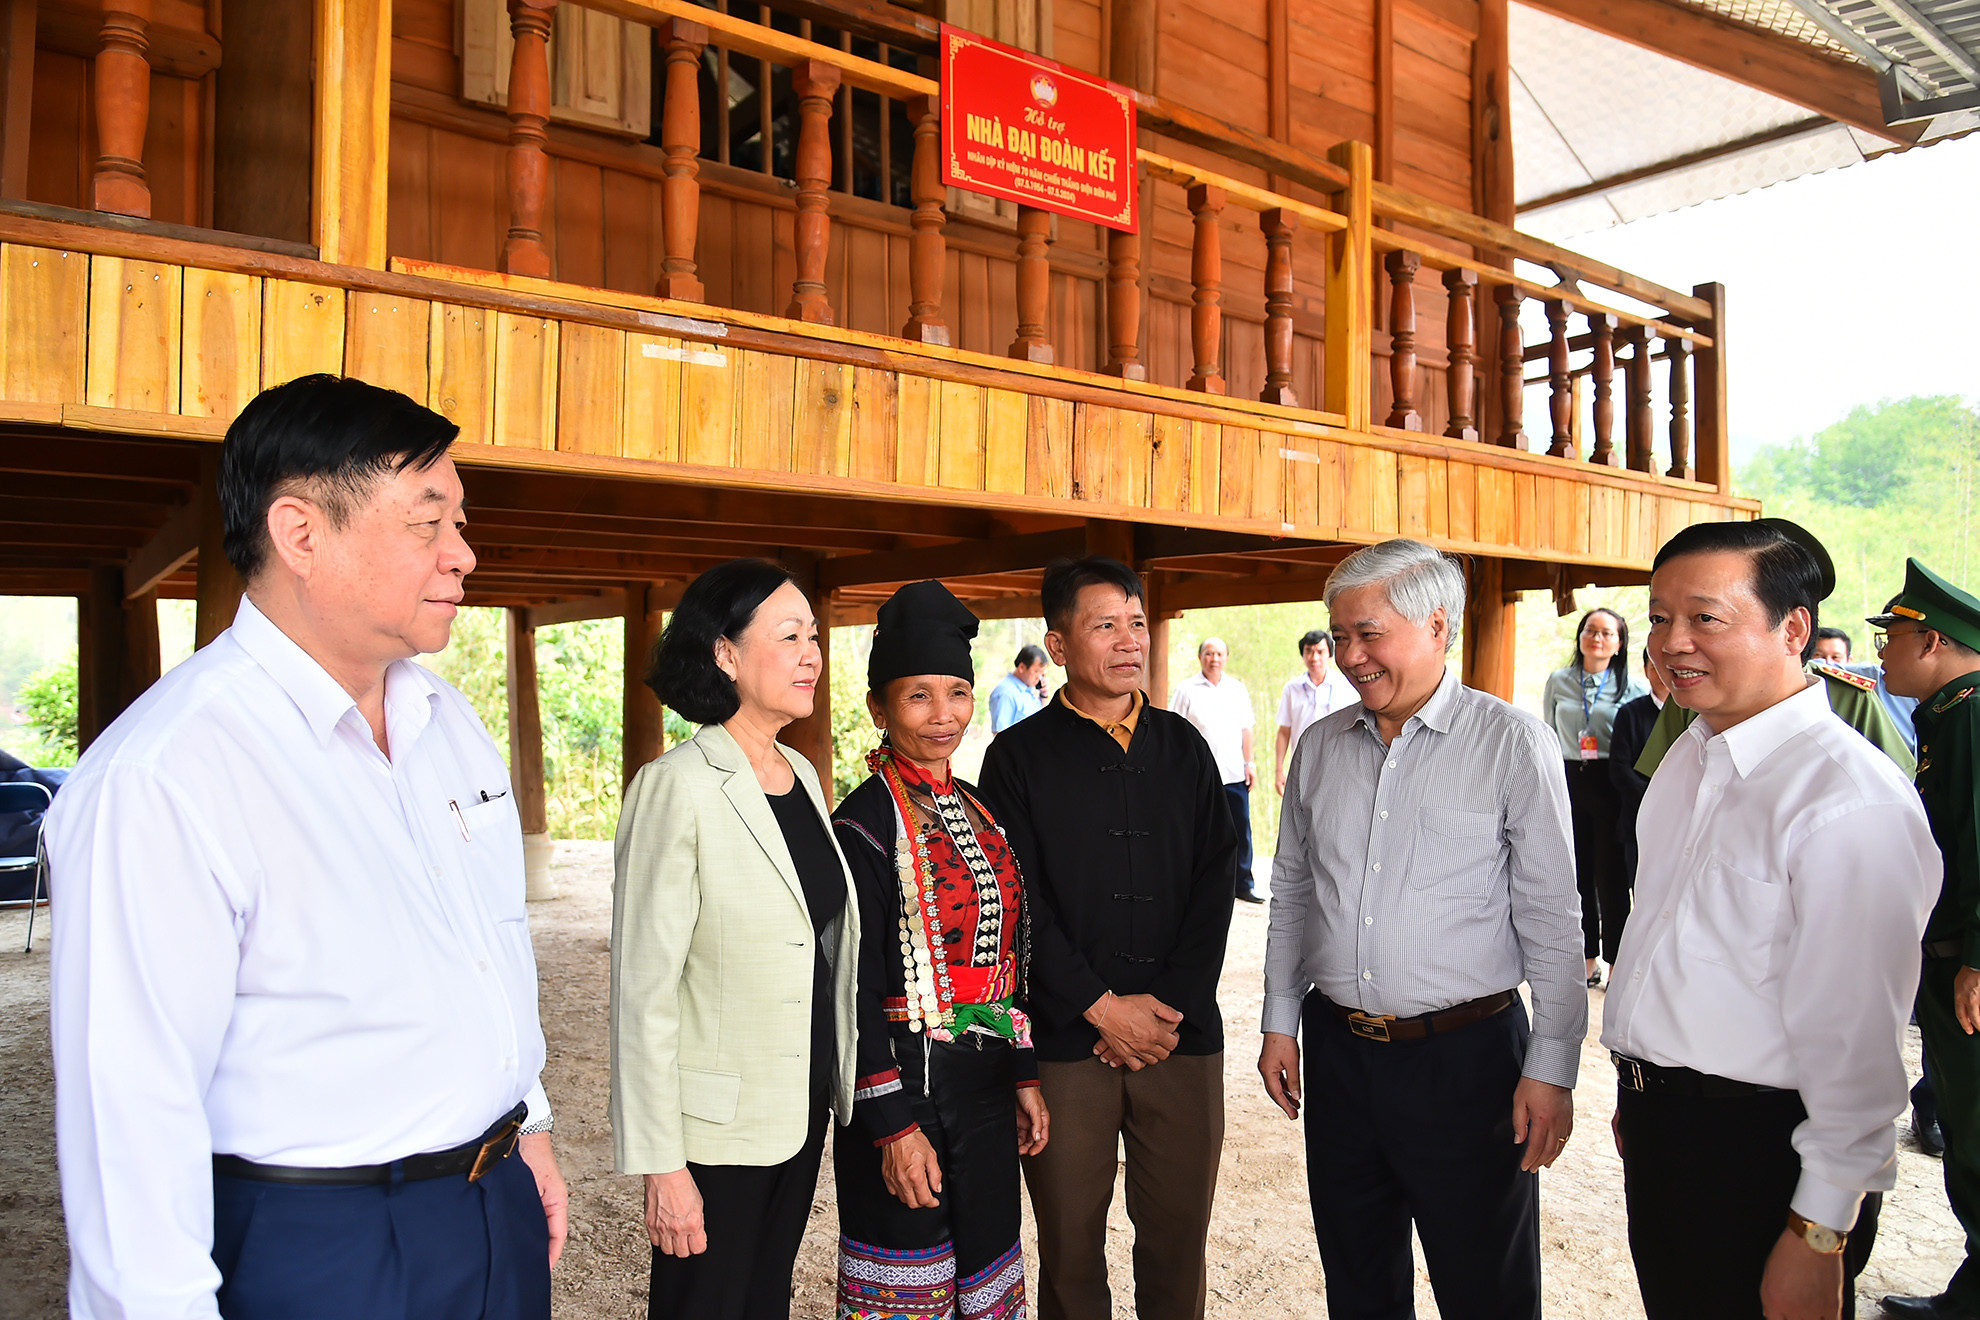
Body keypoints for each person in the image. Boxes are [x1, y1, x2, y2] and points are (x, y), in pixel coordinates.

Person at [44, 374, 569, 1320]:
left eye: (459, 524)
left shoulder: (448, 722)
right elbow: (130, 1121)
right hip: (323, 1241)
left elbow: (488, 948)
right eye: (428, 523)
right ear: (300, 533)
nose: (463, 555)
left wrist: (526, 1123)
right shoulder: (166, 773)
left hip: (493, 1204)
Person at [1602, 520, 1938, 1320]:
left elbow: (1857, 1048)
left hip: (1764, 1151)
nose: (1672, 642)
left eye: (1705, 618)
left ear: (1793, 629)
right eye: (1659, 618)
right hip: (1669, 1126)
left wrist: (1818, 1231)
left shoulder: (1847, 799)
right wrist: (1645, 1089)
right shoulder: (1690, 755)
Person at [1260, 537, 1584, 1320]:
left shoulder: (1512, 743)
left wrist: (1553, 1067)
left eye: (1369, 634)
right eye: (1339, 635)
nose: (1350, 656)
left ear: (1437, 625)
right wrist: (1279, 1021)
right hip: (1339, 1053)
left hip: (1468, 1062)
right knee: (1359, 1278)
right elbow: (1293, 890)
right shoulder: (1320, 747)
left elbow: (1552, 917)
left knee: (1485, 1288)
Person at [977, 556, 1237, 1320]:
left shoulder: (1185, 747)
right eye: (1105, 626)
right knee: (1068, 1249)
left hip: (1179, 1039)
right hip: (1067, 1044)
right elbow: (1019, 902)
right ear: (1058, 644)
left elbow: (1216, 883)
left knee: (1179, 1245)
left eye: (1137, 624)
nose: (1130, 642)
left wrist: (1167, 1007)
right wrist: (1100, 1007)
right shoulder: (1016, 758)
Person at [612, 558, 860, 1320]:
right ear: (725, 653)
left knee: (763, 1302)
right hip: (713, 1136)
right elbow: (643, 993)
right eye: (789, 637)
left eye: (813, 637)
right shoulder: (676, 785)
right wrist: (662, 1166)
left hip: (798, 1110)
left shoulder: (801, 774)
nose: (811, 655)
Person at [830, 580, 1051, 1320]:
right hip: (902, 1088)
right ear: (879, 708)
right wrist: (892, 1127)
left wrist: (1023, 1074)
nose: (943, 714)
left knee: (988, 1273)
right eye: (918, 696)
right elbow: (851, 989)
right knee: (908, 1287)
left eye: (957, 693)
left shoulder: (982, 812)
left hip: (985, 1088)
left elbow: (1009, 963)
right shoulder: (861, 827)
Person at [1870, 559, 1980, 1320]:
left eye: (1895, 636)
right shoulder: (1950, 715)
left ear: (1933, 641)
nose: (1884, 651)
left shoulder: (1970, 716)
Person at [1542, 608, 1648, 986]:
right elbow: (1549, 733)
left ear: (1619, 644)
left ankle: (1617, 961)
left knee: (1612, 878)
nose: (1597, 638)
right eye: (1591, 631)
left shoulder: (1632, 688)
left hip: (1611, 785)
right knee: (1577, 875)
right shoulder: (1559, 681)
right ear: (1580, 636)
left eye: (1607, 633)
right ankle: (1586, 959)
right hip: (1569, 779)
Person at [1170, 637, 1262, 903]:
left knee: (1240, 829)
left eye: (1219, 654)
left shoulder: (1237, 689)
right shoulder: (1185, 689)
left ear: (1227, 658)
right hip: (1197, 775)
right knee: (1198, 831)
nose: (1214, 659)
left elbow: (1246, 729)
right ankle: (1198, 884)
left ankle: (1243, 884)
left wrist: (1250, 763)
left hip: (1233, 772)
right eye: (1209, 653)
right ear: (1200, 657)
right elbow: (1175, 732)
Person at [1607, 650, 1667, 897]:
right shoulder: (1630, 713)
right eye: (1654, 666)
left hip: (1682, 820)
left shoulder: (1695, 713)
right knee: (1642, 893)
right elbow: (1619, 768)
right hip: (1637, 817)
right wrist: (1654, 800)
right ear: (1645, 671)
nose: (1661, 673)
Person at [1273, 629, 1360, 794]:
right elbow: (1284, 731)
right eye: (1309, 652)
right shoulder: (1292, 688)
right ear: (1302, 655)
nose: (1314, 658)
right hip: (1302, 765)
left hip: (1340, 764)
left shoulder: (1346, 685)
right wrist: (1279, 770)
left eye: (1320, 652)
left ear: (1330, 654)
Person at [989, 645, 1049, 734]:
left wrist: (1043, 695)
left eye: (1042, 673)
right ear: (1022, 667)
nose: (1039, 677)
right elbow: (1000, 735)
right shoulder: (1006, 693)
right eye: (1036, 671)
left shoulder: (1027, 690)